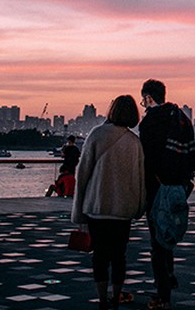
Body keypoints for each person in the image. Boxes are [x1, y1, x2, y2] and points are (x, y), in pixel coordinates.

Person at [72, 95, 146, 310]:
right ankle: (116, 296)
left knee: (100, 256)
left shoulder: (97, 135)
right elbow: (139, 179)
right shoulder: (134, 142)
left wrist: (79, 210)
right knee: (119, 256)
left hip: (98, 208)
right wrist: (138, 207)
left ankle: (102, 299)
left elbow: (83, 174)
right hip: (123, 211)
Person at [138, 79, 195, 310]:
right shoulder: (180, 116)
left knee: (157, 241)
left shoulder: (151, 121)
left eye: (143, 98)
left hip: (157, 186)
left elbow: (147, 157)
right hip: (178, 185)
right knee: (167, 233)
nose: (142, 103)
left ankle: (162, 293)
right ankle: (170, 274)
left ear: (149, 98)